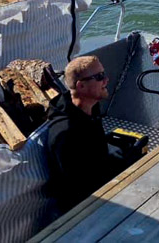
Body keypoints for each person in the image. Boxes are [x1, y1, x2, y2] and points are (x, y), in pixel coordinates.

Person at [44, 55, 130, 217]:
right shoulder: (66, 134)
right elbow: (79, 186)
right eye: (99, 77)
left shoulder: (90, 107)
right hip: (84, 210)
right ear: (81, 86)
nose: (106, 80)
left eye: (104, 74)